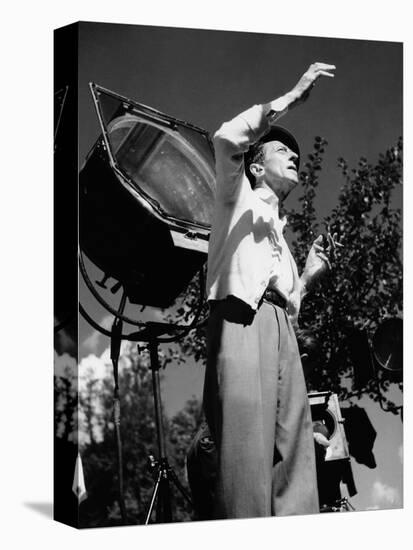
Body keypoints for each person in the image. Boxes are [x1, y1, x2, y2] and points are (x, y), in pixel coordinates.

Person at [202, 62, 337, 519]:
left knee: (296, 458)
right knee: (245, 459)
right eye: (284, 148)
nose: (294, 155)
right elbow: (225, 138)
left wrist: (312, 271)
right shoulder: (233, 196)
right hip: (242, 320)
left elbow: (291, 300)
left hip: (282, 330)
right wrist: (288, 101)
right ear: (257, 167)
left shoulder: (281, 232)